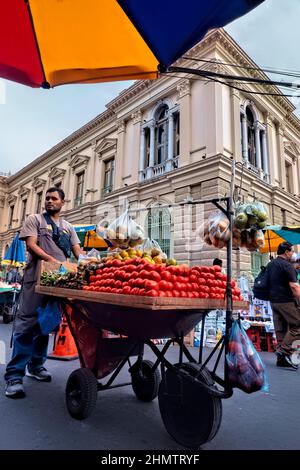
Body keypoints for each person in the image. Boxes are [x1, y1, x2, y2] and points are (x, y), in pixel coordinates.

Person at [4, 187, 83, 398]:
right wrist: (54, 262)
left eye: (54, 198)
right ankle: (14, 376)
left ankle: (36, 365)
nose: (49, 201)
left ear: (62, 202)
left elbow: (78, 252)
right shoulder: (35, 220)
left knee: (46, 324)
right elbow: (31, 245)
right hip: (34, 280)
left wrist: (89, 261)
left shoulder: (68, 227)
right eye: (47, 198)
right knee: (26, 324)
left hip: (58, 282)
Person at [267, 242, 300, 369]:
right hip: (286, 301)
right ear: (286, 252)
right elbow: (294, 286)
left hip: (274, 302)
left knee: (281, 329)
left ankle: (281, 360)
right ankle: (284, 350)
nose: (292, 254)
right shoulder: (287, 265)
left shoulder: (271, 264)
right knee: (297, 325)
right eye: (291, 251)